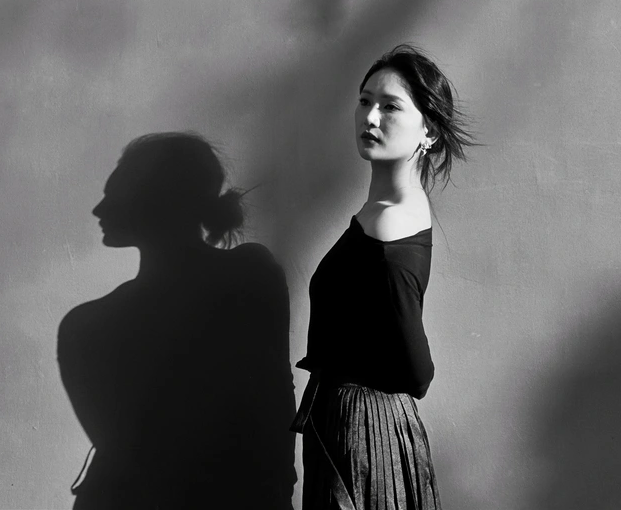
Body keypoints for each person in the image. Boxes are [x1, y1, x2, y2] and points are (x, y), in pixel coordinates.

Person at [58, 132, 296, 509]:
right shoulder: (250, 275)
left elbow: (121, 451)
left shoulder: (86, 325)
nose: (99, 210)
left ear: (157, 198)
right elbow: (274, 406)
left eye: (114, 194)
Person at [291, 45, 473, 510]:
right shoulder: (384, 210)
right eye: (364, 100)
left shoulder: (390, 226)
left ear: (428, 130)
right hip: (353, 428)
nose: (370, 117)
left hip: (364, 437)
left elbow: (417, 371)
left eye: (390, 106)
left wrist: (356, 404)